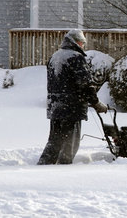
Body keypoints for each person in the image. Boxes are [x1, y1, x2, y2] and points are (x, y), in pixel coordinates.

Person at [37, 29, 108, 165]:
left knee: (55, 141)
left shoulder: (55, 56)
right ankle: (64, 168)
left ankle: (44, 165)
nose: (82, 45)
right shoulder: (76, 57)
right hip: (72, 107)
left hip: (55, 106)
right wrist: (96, 103)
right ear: (75, 42)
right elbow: (85, 84)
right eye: (81, 42)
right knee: (70, 143)